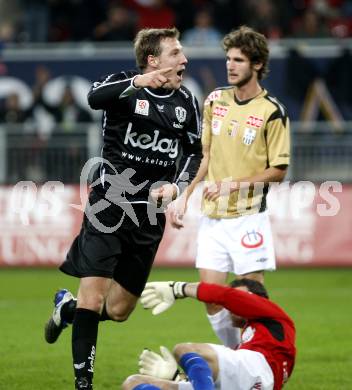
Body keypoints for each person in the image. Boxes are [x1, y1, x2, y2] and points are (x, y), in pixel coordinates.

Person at [44, 27, 202, 390]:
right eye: (176, 53)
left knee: (118, 310)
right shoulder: (122, 84)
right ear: (153, 59)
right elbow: (93, 97)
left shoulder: (187, 102)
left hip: (149, 215)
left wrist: (177, 186)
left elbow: (195, 152)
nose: (184, 59)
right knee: (93, 294)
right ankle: (83, 384)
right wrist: (139, 81)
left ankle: (66, 310)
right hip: (110, 204)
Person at [169, 25, 291, 350]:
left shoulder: (272, 112)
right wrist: (185, 195)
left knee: (250, 298)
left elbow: (278, 170)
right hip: (212, 218)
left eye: (238, 59)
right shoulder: (215, 101)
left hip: (248, 217)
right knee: (211, 299)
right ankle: (239, 360)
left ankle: (261, 360)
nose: (230, 65)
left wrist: (232, 185)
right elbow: (205, 156)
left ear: (257, 65)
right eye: (228, 59)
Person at [122, 278, 296, 390]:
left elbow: (226, 296)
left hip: (261, 373)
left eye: (242, 297)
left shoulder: (275, 316)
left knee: (185, 349)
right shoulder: (248, 342)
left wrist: (179, 288)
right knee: (133, 383)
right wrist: (178, 377)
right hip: (253, 381)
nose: (233, 306)